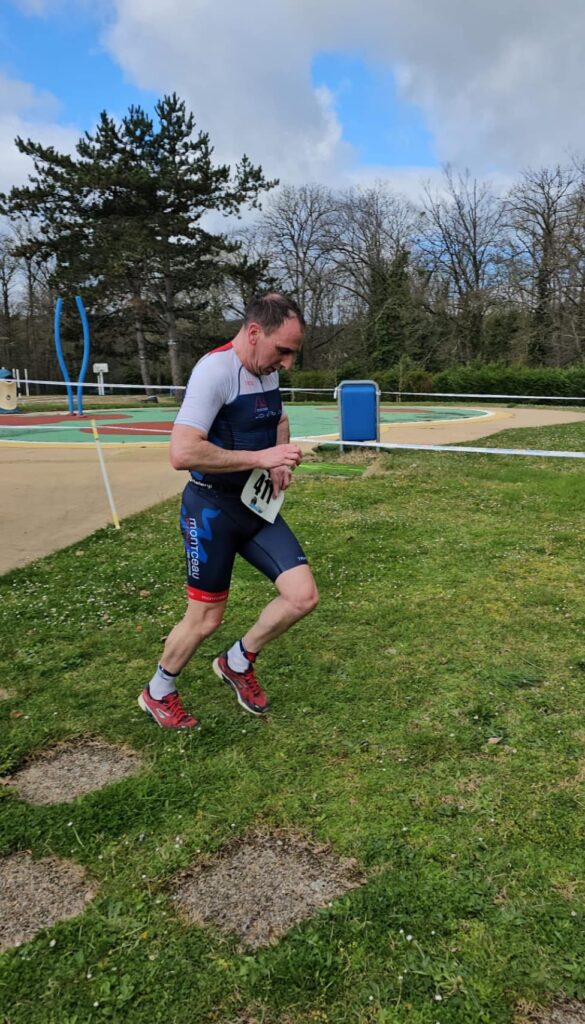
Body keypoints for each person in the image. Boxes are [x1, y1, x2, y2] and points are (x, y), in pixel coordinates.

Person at [138, 292, 319, 728]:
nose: (287, 363)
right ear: (254, 333)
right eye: (283, 351)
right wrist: (260, 458)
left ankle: (236, 661)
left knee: (302, 597)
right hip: (211, 510)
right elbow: (182, 452)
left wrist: (278, 458)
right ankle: (157, 691)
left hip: (255, 505)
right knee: (205, 618)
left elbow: (277, 419)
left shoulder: (265, 369)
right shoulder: (214, 372)